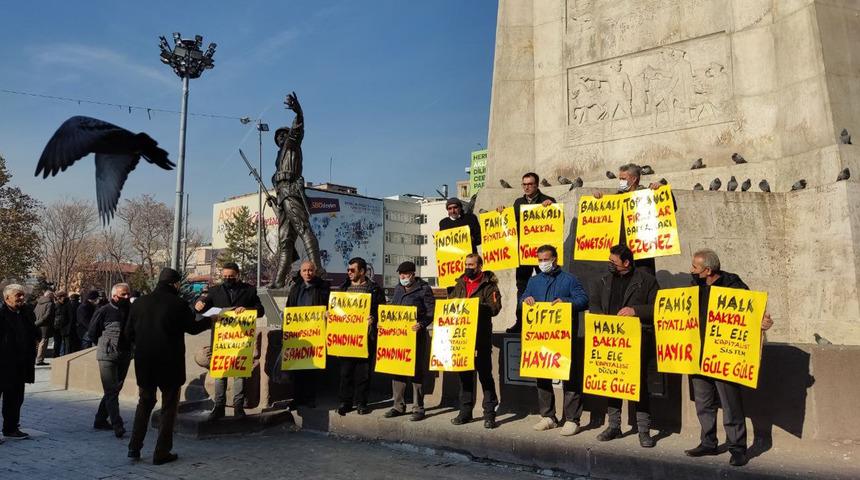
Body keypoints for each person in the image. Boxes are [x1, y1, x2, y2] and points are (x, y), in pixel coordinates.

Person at [684, 249, 773, 467]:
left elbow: (750, 314)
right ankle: (708, 442)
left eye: (695, 267)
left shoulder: (734, 286)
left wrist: (761, 322)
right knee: (703, 403)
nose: (691, 270)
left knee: (730, 403)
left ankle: (737, 448)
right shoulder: (694, 287)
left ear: (708, 270)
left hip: (723, 356)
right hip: (698, 354)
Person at [126, 268, 212, 465]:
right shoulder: (178, 303)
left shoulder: (139, 302)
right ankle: (161, 452)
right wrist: (210, 321)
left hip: (145, 363)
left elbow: (128, 333)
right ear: (175, 284)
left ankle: (134, 447)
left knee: (144, 403)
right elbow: (192, 327)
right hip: (169, 364)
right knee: (168, 408)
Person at [588, 244, 659, 448]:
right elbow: (593, 303)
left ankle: (644, 430)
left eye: (613, 262)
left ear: (626, 262)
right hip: (609, 340)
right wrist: (599, 317)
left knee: (639, 386)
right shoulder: (603, 280)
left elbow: (658, 308)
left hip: (636, 341)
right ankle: (614, 426)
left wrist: (635, 310)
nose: (609, 264)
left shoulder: (647, 281)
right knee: (612, 381)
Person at [520, 245, 589, 436]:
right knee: (542, 375)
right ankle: (548, 416)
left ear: (555, 259)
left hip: (564, 338)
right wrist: (526, 300)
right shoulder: (534, 281)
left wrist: (566, 302)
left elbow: (583, 300)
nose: (543, 263)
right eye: (540, 259)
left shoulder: (570, 279)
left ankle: (572, 419)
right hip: (541, 338)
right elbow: (523, 298)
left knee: (570, 376)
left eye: (546, 259)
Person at [269, 92, 325, 288]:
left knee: (303, 228)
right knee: (285, 241)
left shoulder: (291, 146)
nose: (281, 138)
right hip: (282, 194)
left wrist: (298, 112)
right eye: (278, 137)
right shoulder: (279, 157)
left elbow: (297, 129)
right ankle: (277, 282)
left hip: (291, 191)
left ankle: (318, 269)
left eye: (283, 135)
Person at [196, 262, 265, 421]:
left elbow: (261, 310)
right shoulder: (214, 291)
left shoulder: (249, 290)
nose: (228, 279)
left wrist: (246, 310)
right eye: (225, 277)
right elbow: (202, 308)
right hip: (221, 340)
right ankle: (219, 406)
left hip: (240, 341)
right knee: (220, 374)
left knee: (239, 375)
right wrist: (199, 305)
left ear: (237, 275)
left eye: (231, 277)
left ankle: (238, 407)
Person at [594, 163, 677, 276]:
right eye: (620, 179)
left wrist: (662, 190)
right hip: (622, 254)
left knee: (643, 283)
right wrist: (598, 199)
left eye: (623, 179)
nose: (621, 181)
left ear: (634, 179)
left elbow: (670, 208)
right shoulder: (617, 198)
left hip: (643, 252)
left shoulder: (648, 194)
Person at [498, 172, 556, 333]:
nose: (527, 187)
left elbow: (558, 221)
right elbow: (510, 222)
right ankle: (521, 320)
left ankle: (546, 319)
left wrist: (551, 207)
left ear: (537, 185)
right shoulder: (518, 202)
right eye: (524, 184)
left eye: (530, 184)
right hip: (523, 253)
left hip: (542, 254)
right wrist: (502, 212)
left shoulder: (548, 200)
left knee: (546, 284)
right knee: (522, 287)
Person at [450, 253, 502, 429]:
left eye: (471, 265)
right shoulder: (460, 283)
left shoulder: (490, 286)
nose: (468, 267)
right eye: (466, 264)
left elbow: (495, 309)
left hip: (481, 338)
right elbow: (451, 305)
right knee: (464, 377)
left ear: (480, 266)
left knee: (485, 376)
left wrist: (475, 307)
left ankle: (489, 414)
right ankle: (465, 413)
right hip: (463, 338)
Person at [383, 261, 435, 422]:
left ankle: (418, 408)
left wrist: (421, 324)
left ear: (413, 274)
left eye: (405, 274)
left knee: (416, 371)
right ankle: (398, 406)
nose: (402, 277)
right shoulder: (398, 288)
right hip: (398, 336)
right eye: (400, 274)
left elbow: (431, 312)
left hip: (416, 335)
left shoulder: (424, 289)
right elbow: (393, 310)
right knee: (397, 368)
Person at [336, 257, 386, 416]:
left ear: (362, 271)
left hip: (366, 338)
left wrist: (375, 318)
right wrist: (330, 313)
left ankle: (361, 403)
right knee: (345, 373)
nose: (349, 273)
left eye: (352, 270)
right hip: (346, 338)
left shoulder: (375, 289)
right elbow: (337, 309)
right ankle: (345, 402)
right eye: (348, 270)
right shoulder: (343, 288)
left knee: (363, 373)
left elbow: (382, 310)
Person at [87, 283, 132, 438]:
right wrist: (104, 343)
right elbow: (92, 332)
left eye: (128, 294)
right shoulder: (104, 311)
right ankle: (117, 424)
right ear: (114, 296)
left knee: (115, 388)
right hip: (107, 355)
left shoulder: (131, 311)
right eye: (123, 295)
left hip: (125, 354)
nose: (127, 297)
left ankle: (100, 419)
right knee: (111, 390)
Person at [285, 260, 331, 408]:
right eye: (304, 271)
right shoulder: (295, 288)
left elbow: (330, 306)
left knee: (312, 368)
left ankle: (310, 398)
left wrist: (327, 314)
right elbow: (289, 308)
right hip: (297, 333)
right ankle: (297, 398)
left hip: (315, 332)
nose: (307, 273)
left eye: (310, 270)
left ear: (315, 271)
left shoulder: (323, 287)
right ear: (300, 272)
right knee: (296, 367)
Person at [0, 284, 38, 440]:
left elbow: (34, 332)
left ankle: (11, 428)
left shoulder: (25, 313)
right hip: (2, 364)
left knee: (15, 399)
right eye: (18, 295)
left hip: (20, 364)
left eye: (23, 295)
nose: (22, 298)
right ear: (7, 297)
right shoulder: (1, 314)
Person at [34, 291, 55, 365]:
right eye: (53, 296)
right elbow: (47, 315)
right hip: (45, 326)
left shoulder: (38, 303)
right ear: (50, 296)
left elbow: (34, 312)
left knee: (38, 343)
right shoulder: (50, 304)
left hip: (37, 325)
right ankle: (40, 360)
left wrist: (36, 322)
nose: (53, 297)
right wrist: (40, 321)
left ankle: (37, 359)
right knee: (43, 343)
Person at [52, 291, 71, 356]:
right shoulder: (56, 305)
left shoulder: (67, 305)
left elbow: (69, 316)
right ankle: (56, 356)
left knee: (66, 343)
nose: (64, 298)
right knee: (57, 343)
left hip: (65, 327)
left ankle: (65, 356)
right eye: (63, 296)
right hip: (57, 327)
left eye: (65, 296)